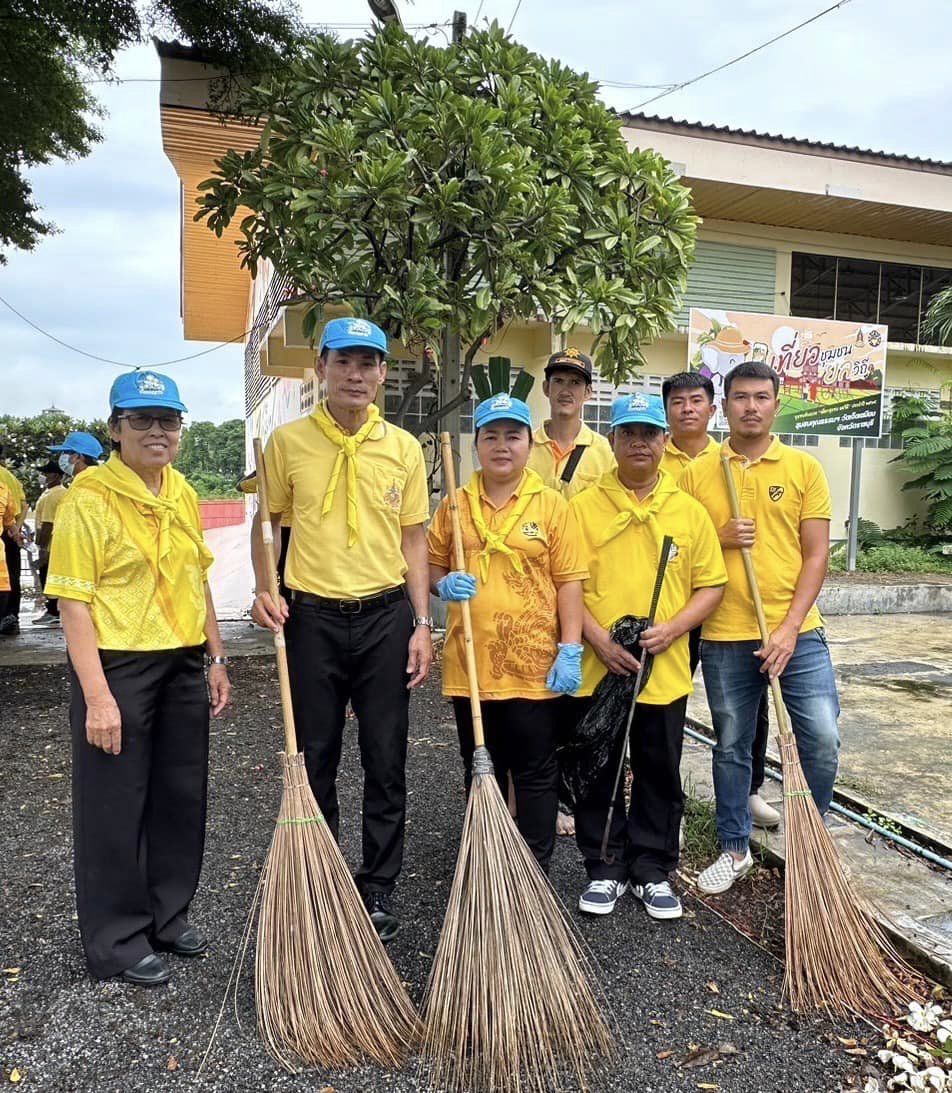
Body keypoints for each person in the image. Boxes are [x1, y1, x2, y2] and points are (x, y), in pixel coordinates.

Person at [45, 370, 231, 986]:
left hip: (181, 660)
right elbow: (73, 603)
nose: (157, 431)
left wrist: (216, 654)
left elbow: (197, 576)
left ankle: (166, 914)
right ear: (116, 429)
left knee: (180, 795)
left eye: (168, 420)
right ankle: (117, 938)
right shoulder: (87, 499)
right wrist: (97, 697)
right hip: (118, 663)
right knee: (114, 802)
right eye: (141, 420)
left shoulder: (179, 489)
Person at [253, 317, 433, 943]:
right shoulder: (287, 441)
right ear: (322, 369)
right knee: (315, 755)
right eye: (344, 362)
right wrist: (264, 589)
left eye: (368, 363)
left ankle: (378, 886)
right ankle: (323, 878)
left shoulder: (404, 448)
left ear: (383, 373)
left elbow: (414, 538)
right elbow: (269, 523)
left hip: (386, 616)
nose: (356, 375)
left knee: (386, 756)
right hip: (313, 619)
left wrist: (422, 624)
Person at [680, 362, 839, 895]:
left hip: (797, 631)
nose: (751, 407)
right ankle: (734, 847)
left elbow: (816, 556)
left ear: (777, 404)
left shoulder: (802, 469)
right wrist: (718, 537)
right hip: (726, 631)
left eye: (761, 397)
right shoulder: (698, 474)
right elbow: (677, 553)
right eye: (740, 397)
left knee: (820, 737)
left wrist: (790, 628)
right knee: (731, 743)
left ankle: (808, 842)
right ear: (723, 405)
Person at [568, 393, 726, 919]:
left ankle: (652, 868)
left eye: (650, 433)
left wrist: (674, 629)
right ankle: (605, 866)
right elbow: (563, 585)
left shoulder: (688, 511)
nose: (640, 442)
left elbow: (711, 586)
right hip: (600, 667)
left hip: (665, 669)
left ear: (665, 441)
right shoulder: (582, 507)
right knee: (600, 764)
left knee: (660, 769)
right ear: (612, 441)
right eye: (629, 432)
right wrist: (598, 640)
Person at [428, 393, 587, 872]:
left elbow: (570, 582)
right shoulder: (455, 505)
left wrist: (570, 649)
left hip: (535, 662)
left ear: (528, 444)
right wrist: (442, 584)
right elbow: (432, 562)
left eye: (513, 435)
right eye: (491, 435)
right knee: (481, 765)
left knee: (537, 768)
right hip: (471, 661)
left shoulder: (552, 505)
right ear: (476, 443)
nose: (502, 445)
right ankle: (489, 855)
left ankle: (534, 864)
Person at [661, 372, 779, 831]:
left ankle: (748, 792)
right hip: (679, 605)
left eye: (697, 401)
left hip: (735, 611)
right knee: (669, 697)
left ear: (714, 408)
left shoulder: (732, 456)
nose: (687, 409)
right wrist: (718, 537)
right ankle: (666, 793)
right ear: (666, 410)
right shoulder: (651, 450)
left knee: (751, 705)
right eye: (678, 402)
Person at [527, 348, 615, 836]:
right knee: (536, 697)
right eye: (558, 379)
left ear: (587, 393)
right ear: (546, 388)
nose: (566, 389)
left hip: (581, 585)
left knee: (577, 700)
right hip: (529, 588)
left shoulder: (603, 451)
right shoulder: (525, 444)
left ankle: (569, 795)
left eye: (575, 383)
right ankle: (535, 791)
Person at [32, 459, 69, 626]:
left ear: (55, 475)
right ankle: (54, 609)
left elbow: (48, 523)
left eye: (46, 473)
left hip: (51, 543)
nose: (43, 476)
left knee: (47, 576)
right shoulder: (54, 493)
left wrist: (41, 545)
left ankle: (53, 610)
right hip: (56, 542)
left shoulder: (54, 494)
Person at [0, 444, 27, 636]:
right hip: (7, 535)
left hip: (5, 533)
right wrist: (16, 530)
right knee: (11, 577)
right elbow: (22, 506)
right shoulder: (10, 479)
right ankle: (11, 617)